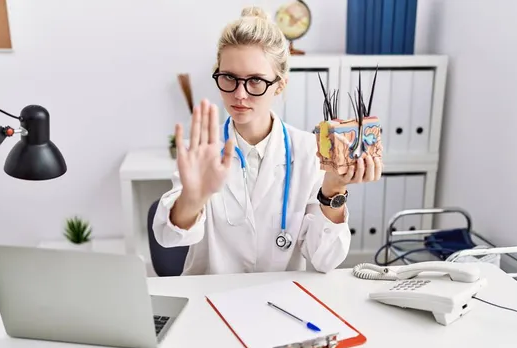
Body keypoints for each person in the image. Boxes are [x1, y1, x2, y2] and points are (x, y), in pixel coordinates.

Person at [152, 6, 383, 275]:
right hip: (209, 301)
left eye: (255, 81)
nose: (239, 94)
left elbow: (326, 260)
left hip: (280, 301)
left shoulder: (308, 151)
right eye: (229, 78)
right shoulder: (204, 150)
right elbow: (168, 238)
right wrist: (193, 199)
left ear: (280, 84)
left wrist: (333, 190)